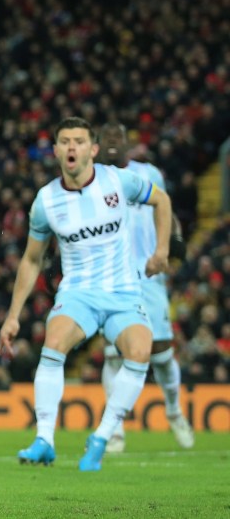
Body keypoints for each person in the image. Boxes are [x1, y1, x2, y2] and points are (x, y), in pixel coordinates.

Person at [0, 117, 172, 472]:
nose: (72, 147)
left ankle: (102, 437)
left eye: (79, 141)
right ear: (57, 150)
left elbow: (162, 201)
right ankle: (44, 439)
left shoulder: (117, 180)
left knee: (140, 351)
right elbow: (32, 260)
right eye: (65, 141)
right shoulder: (46, 201)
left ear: (92, 149)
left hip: (124, 290)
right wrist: (13, 315)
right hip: (79, 292)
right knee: (55, 340)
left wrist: (162, 251)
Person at [97, 123, 193, 451]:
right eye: (105, 138)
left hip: (149, 275)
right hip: (111, 278)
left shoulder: (147, 172)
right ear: (96, 145)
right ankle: (116, 428)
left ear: (127, 144)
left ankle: (174, 411)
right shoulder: (92, 179)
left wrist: (173, 242)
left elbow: (165, 209)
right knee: (113, 356)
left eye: (117, 138)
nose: (111, 143)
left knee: (162, 354)